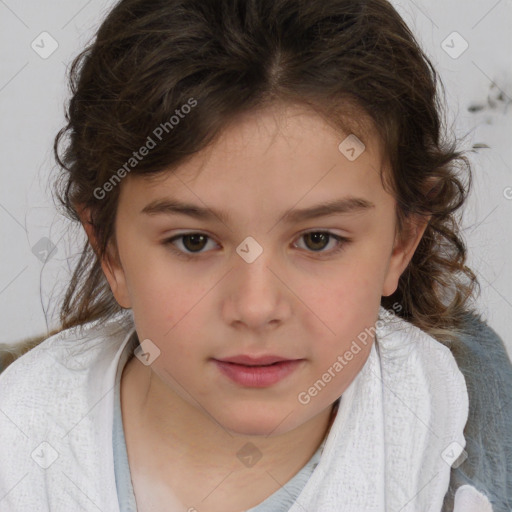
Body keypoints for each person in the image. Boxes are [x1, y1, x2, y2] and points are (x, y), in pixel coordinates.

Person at [0, 0, 510, 510]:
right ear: (108, 249)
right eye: (193, 241)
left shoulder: (464, 427)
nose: (256, 307)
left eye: (318, 240)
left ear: (401, 242)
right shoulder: (22, 447)